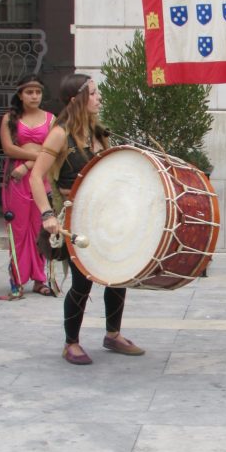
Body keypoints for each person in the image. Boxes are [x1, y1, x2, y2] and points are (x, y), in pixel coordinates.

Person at [29, 73, 144, 365]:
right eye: (92, 93)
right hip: (76, 217)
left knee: (117, 276)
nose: (98, 97)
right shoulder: (60, 133)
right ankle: (71, 343)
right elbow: (35, 176)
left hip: (105, 217)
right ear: (75, 99)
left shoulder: (98, 132)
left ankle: (113, 334)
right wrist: (47, 215)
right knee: (82, 283)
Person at [0, 76, 54, 297]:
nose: (34, 96)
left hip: (41, 177)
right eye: (29, 92)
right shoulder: (9, 118)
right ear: (20, 95)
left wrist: (28, 164)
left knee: (40, 227)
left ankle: (40, 279)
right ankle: (18, 278)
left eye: (38, 92)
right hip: (16, 179)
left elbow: (53, 151)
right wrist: (36, 155)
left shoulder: (51, 119)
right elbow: (8, 149)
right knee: (19, 228)